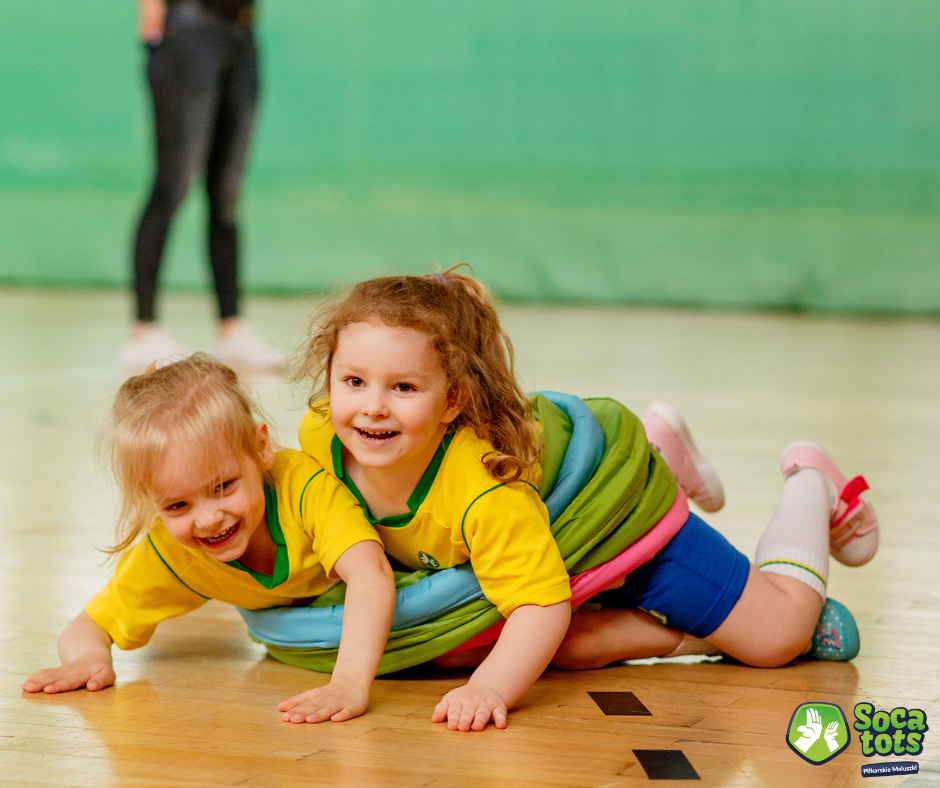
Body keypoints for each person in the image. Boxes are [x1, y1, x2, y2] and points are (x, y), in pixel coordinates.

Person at [291, 266, 879, 732]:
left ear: (452, 402)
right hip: (552, 547)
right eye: (353, 381)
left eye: (403, 387)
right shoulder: (322, 438)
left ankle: (812, 482)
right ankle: (663, 445)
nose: (371, 406)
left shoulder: (483, 494)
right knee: (552, 646)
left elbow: (542, 607)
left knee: (777, 638)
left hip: (614, 525)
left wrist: (490, 688)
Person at [23, 354, 396, 725]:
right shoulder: (172, 552)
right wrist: (87, 659)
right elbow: (88, 625)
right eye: (177, 505)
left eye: (223, 486)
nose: (207, 519)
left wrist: (348, 682)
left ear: (261, 447)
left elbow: (370, 574)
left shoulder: (301, 488)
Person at [122, 0, 285, 374]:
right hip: (189, 31)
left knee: (226, 196)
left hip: (242, 33)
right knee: (173, 185)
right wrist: (151, 16)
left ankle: (232, 326)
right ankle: (143, 328)